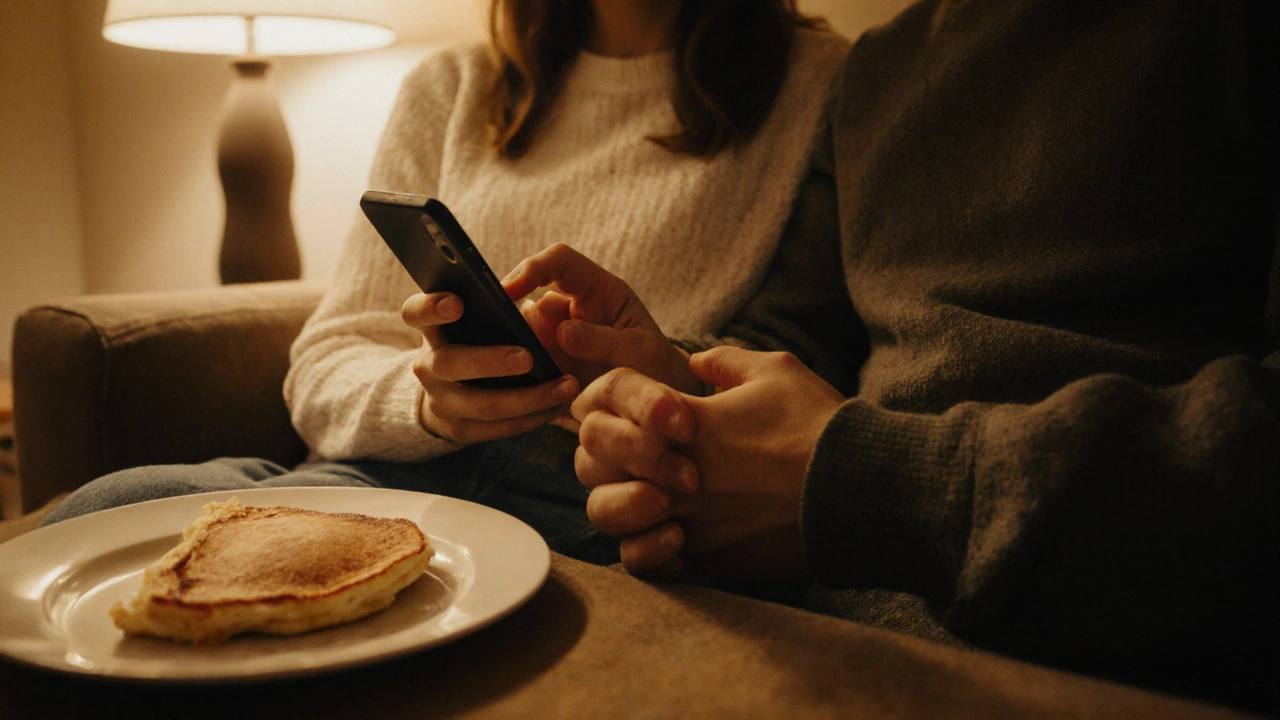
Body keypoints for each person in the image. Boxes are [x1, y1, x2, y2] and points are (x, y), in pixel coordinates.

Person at [504, 0, 1280, 715]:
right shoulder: (881, 67)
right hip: (819, 630)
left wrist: (865, 486)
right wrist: (675, 390)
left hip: (1098, 662)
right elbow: (803, 341)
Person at [41, 0, 851, 564]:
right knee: (103, 514)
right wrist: (427, 403)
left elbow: (793, 390)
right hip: (385, 476)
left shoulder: (825, 84)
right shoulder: (451, 89)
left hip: (582, 505)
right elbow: (326, 363)